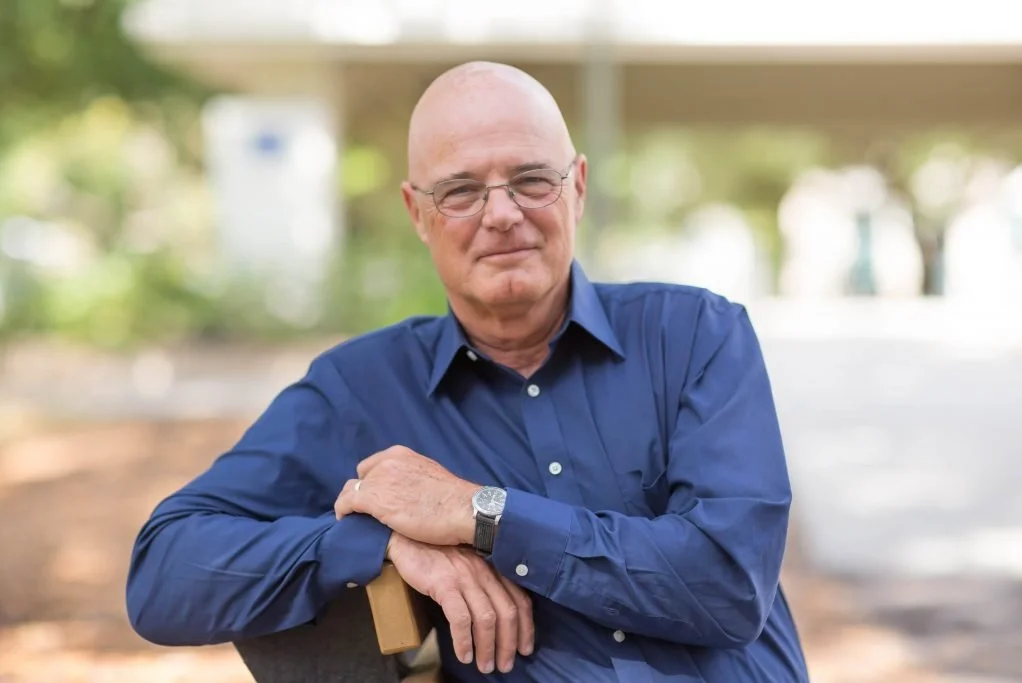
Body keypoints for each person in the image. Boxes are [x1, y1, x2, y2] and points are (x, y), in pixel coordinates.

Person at [127, 61, 809, 682]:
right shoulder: (359, 391)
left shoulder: (697, 336)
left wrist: (478, 515)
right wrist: (379, 543)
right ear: (418, 213)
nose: (503, 214)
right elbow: (164, 573)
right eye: (460, 191)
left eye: (530, 180)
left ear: (577, 186)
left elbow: (727, 582)